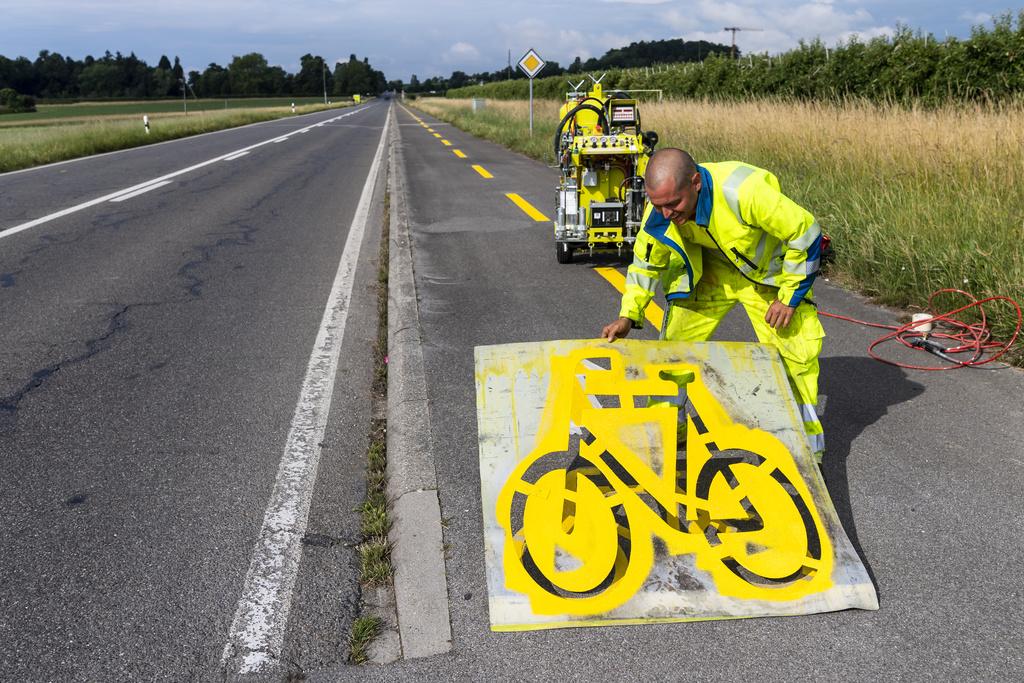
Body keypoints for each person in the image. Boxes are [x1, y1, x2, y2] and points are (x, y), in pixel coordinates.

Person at [601, 148, 826, 460]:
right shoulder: (662, 209)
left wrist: (789, 298)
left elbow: (806, 232)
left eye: (673, 204)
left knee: (795, 355)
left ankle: (805, 450)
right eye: (658, 205)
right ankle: (667, 430)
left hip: (766, 281)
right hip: (708, 276)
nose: (666, 214)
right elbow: (645, 264)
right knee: (671, 354)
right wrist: (628, 314)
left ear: (695, 183)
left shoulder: (744, 192)